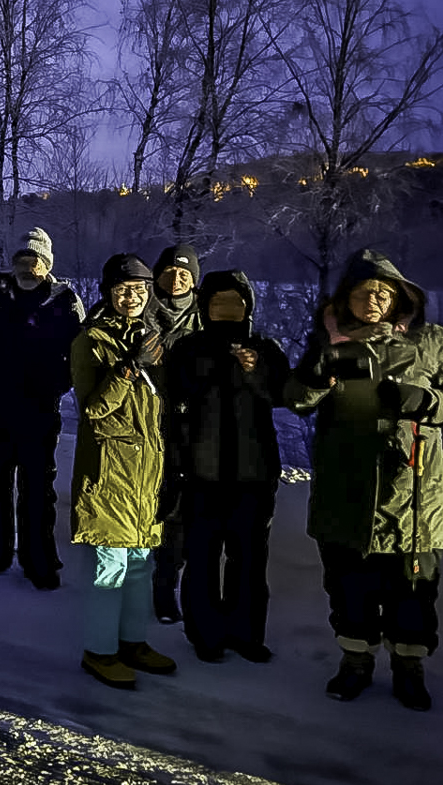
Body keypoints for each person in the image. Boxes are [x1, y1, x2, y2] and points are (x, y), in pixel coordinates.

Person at [286, 249, 443, 711]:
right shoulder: (330, 340)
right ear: (346, 298)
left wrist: (425, 401)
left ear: (400, 299)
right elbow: (295, 399)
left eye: (382, 293)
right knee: (348, 589)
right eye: (362, 293)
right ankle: (355, 661)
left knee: (413, 594)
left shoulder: (431, 340)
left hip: (412, 496)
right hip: (344, 493)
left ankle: (409, 668)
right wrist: (319, 378)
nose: (372, 301)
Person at [165, 270, 290, 664]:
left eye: (234, 302)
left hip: (254, 476)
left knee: (249, 561)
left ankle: (246, 634)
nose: (226, 309)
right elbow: (172, 400)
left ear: (247, 307)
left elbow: (285, 396)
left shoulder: (265, 348)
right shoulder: (188, 348)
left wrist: (255, 372)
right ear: (205, 307)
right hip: (201, 474)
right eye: (218, 302)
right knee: (201, 558)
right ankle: (206, 635)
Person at [70, 253, 177, 691]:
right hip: (109, 471)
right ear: (108, 293)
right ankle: (99, 651)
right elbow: (92, 410)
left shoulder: (157, 337)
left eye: (138, 289)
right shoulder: (91, 340)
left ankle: (133, 642)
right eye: (121, 289)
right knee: (109, 568)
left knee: (139, 565)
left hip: (147, 472)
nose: (131, 297)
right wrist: (129, 369)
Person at [0, 227, 83, 590]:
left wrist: (56, 385)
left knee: (38, 490)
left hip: (40, 411)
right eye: (22, 259)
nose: (27, 267)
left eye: (35, 260)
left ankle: (38, 560)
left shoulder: (64, 300)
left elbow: (78, 353)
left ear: (47, 264)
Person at [151, 242, 205, 624]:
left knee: (183, 511)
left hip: (193, 427)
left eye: (184, 273)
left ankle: (174, 584)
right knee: (157, 507)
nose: (176, 278)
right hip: (150, 424)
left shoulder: (205, 314)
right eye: (169, 271)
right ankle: (154, 582)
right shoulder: (142, 308)